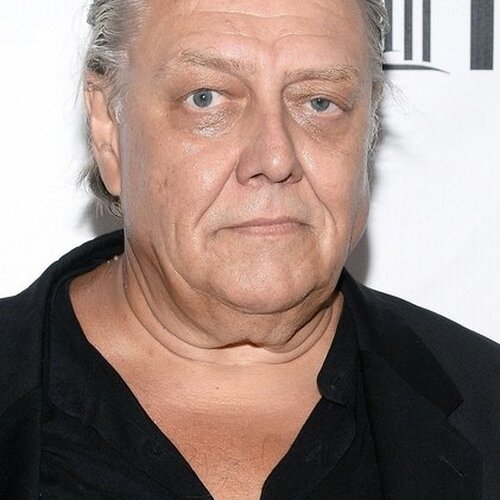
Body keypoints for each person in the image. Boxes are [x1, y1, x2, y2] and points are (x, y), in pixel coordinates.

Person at [0, 0, 499, 498]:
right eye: (206, 99)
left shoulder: (488, 407)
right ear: (108, 126)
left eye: (319, 102)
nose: (276, 158)